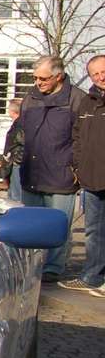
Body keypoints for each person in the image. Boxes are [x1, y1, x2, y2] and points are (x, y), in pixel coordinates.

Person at [19, 54, 86, 282]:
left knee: (57, 226)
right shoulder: (31, 98)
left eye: (43, 79)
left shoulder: (77, 99)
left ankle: (53, 268)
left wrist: (76, 169)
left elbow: (83, 139)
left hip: (61, 174)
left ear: (59, 76)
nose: (38, 83)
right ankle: (30, 266)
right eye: (36, 78)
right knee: (30, 227)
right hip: (32, 172)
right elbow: (21, 130)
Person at [64, 55, 105, 294]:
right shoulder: (87, 103)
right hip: (92, 178)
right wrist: (78, 166)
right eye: (95, 74)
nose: (101, 77)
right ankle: (92, 276)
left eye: (103, 71)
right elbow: (77, 137)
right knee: (93, 232)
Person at [0, 98, 24, 201]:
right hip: (14, 163)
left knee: (15, 198)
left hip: (16, 164)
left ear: (13, 111)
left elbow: (21, 144)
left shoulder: (20, 125)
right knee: (13, 196)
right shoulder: (17, 124)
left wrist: (14, 160)